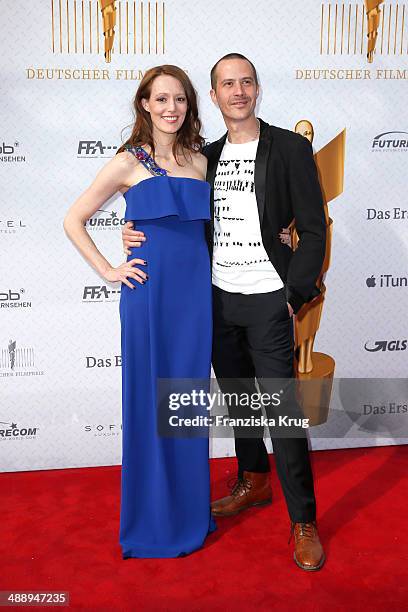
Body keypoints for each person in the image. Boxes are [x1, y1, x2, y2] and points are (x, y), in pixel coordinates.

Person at [122, 54, 327, 571]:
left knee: (281, 409)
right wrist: (130, 232)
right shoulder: (203, 157)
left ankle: (303, 519)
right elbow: (175, 211)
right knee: (238, 401)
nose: (237, 91)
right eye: (226, 85)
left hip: (268, 298)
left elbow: (313, 227)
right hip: (212, 298)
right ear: (212, 97)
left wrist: (293, 292)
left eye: (246, 82)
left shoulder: (289, 148)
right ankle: (253, 480)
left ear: (258, 89)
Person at [63, 65, 216, 559]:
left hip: (194, 297)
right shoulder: (127, 161)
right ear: (145, 105)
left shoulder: (199, 160)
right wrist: (110, 268)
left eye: (180, 100)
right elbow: (74, 218)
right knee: (151, 402)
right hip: (148, 295)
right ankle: (153, 520)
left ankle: (192, 512)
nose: (171, 108)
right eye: (161, 99)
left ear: (189, 106)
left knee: (186, 404)